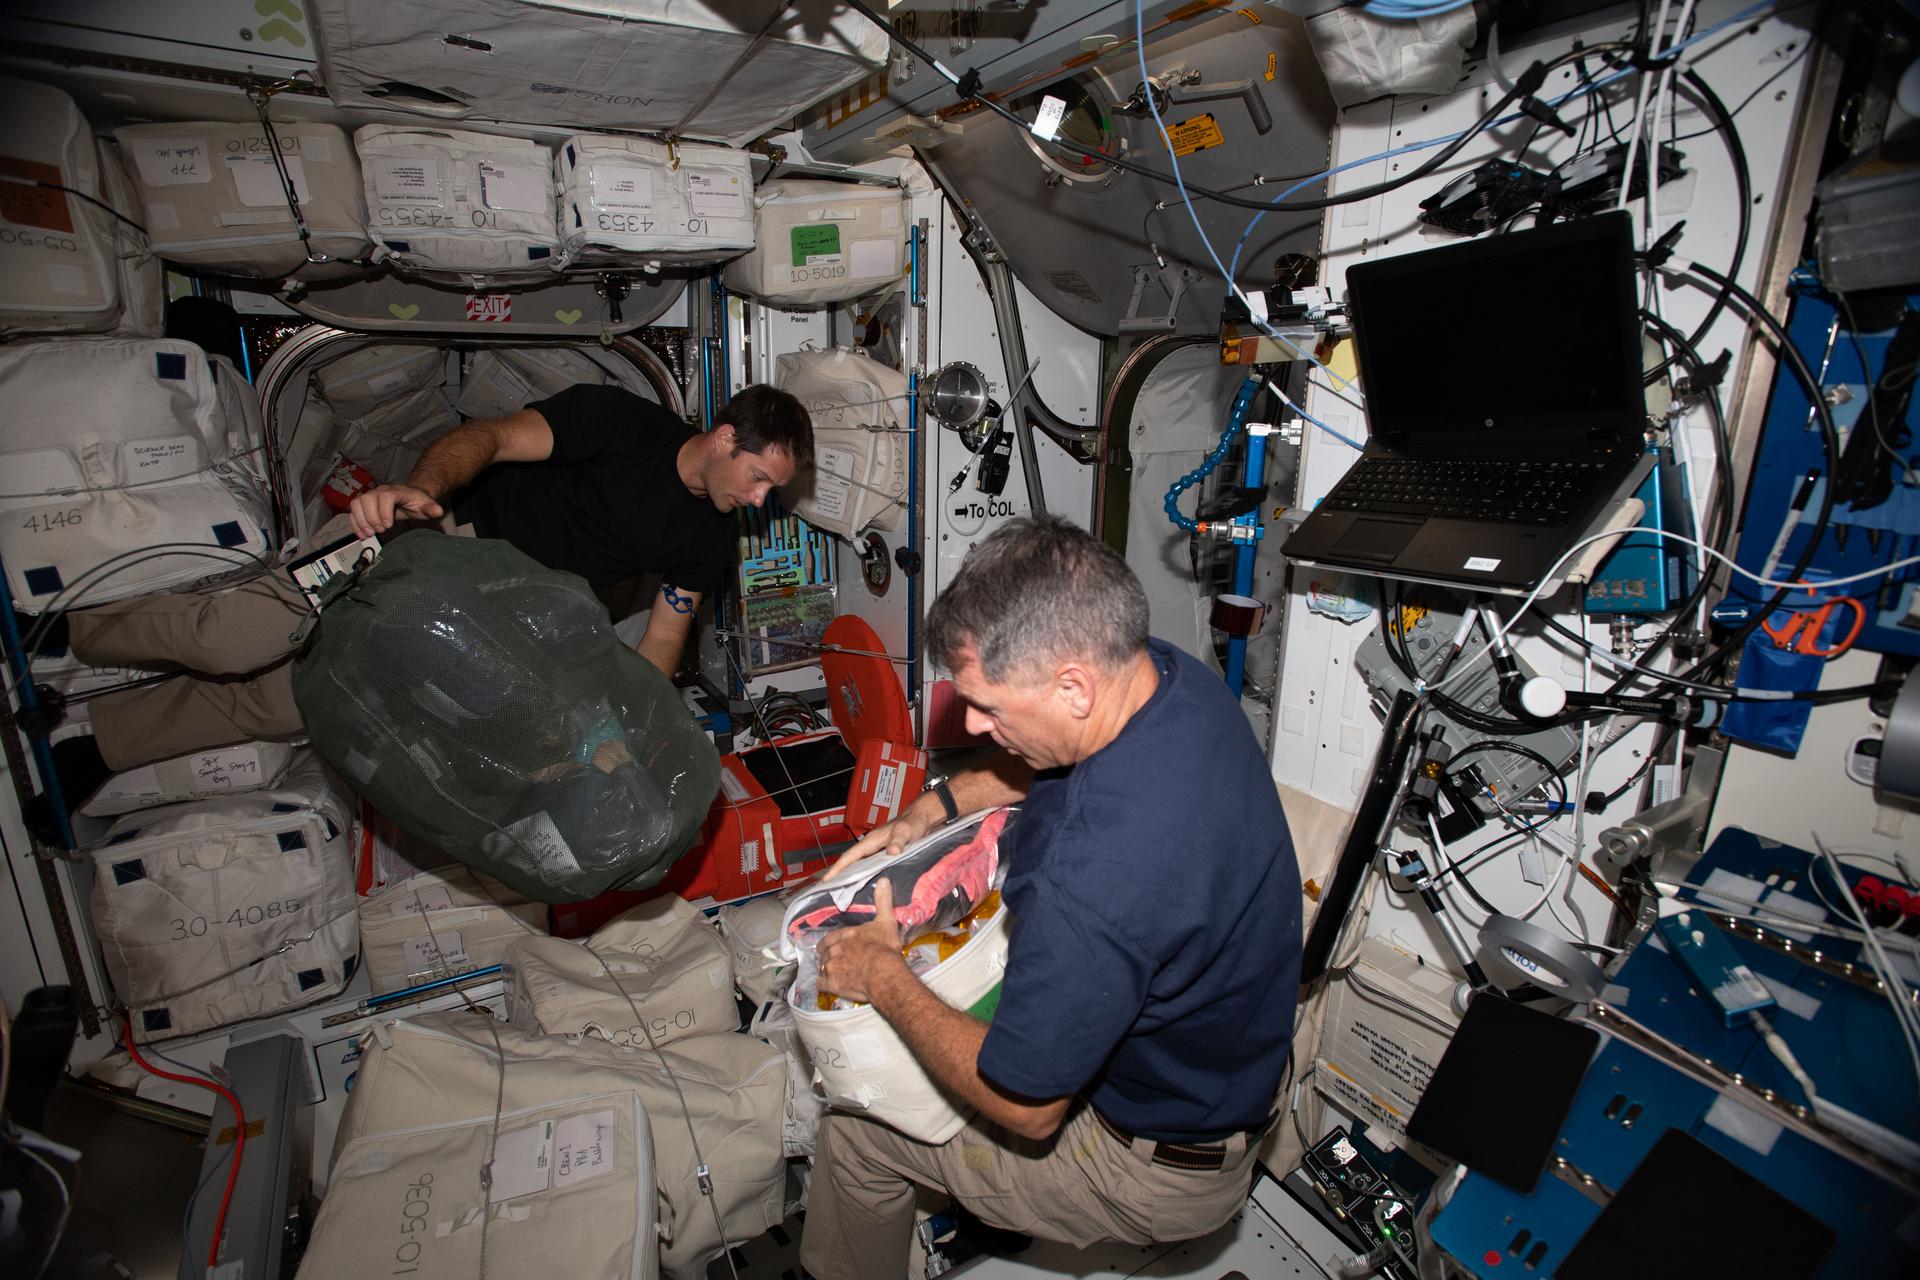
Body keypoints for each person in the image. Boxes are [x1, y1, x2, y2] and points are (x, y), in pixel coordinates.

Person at [799, 516, 1301, 1280]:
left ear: (1072, 685)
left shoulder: (1090, 879)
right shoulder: (1169, 677)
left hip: (1157, 1169)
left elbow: (1025, 1105)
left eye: (990, 709)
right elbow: (1060, 760)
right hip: (1231, 1070)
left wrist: (880, 973)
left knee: (858, 1135)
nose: (970, 725)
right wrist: (938, 804)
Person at [45, 383, 812, 780]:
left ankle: (103, 746)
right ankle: (72, 628)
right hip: (427, 533)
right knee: (234, 633)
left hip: (477, 615)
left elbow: (666, 635)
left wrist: (629, 726)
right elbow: (489, 437)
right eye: (756, 479)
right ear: (721, 439)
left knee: (288, 702)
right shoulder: (619, 423)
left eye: (770, 494)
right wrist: (421, 489)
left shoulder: (710, 540)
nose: (757, 501)